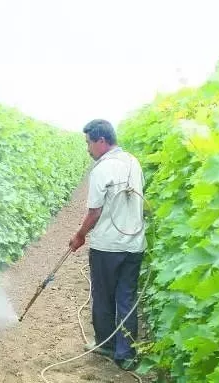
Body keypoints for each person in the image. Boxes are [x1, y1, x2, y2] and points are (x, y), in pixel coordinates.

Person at [69, 119, 146, 371]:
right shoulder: (133, 162)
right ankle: (126, 354)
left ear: (101, 141)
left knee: (103, 296)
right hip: (134, 244)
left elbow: (94, 212)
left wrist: (79, 235)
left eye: (89, 143)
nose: (88, 149)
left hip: (108, 247)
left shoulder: (102, 168)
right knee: (126, 298)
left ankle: (106, 344)